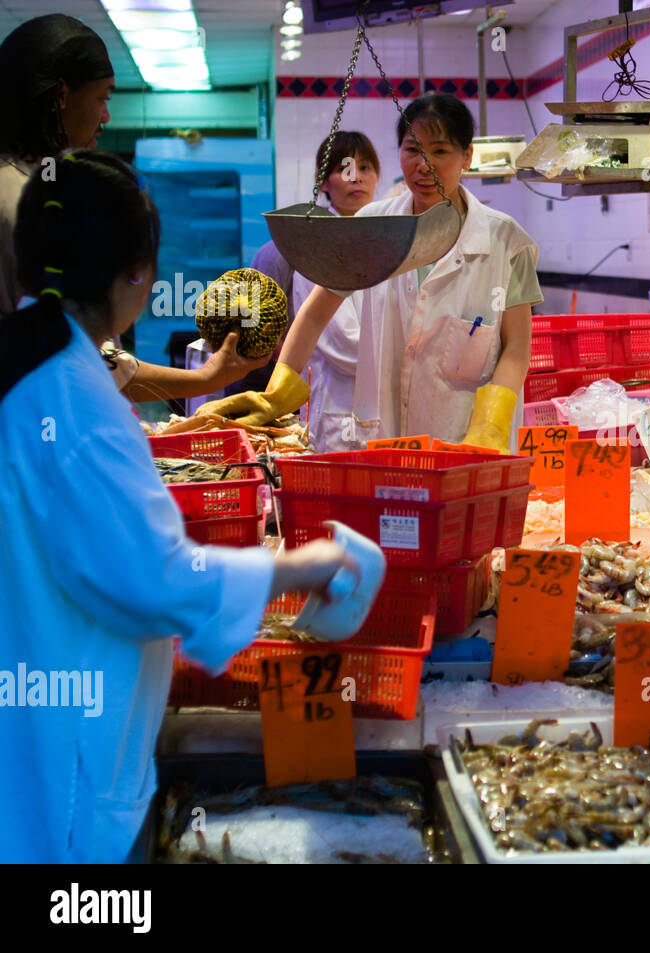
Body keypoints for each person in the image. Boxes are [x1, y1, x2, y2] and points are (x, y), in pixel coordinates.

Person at [0, 151, 353, 863]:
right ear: (137, 272)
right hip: (67, 776)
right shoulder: (74, 400)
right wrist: (301, 565)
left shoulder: (33, 359)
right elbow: (153, 581)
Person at [202, 94, 544, 452]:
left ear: (467, 157)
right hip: (388, 438)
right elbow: (315, 314)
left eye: (440, 151)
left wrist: (489, 428)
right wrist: (276, 393)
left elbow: (518, 347)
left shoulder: (508, 242)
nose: (423, 166)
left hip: (467, 439)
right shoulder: (369, 227)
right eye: (413, 149)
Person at [0, 13, 267, 404]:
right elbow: (84, 358)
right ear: (61, 96)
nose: (106, 116)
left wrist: (208, 379)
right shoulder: (23, 202)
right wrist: (207, 379)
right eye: (102, 98)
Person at [237, 132, 381, 450]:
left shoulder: (385, 244)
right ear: (323, 181)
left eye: (366, 167)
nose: (356, 177)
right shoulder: (315, 249)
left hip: (385, 417)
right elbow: (343, 347)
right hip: (339, 421)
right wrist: (408, 357)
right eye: (344, 169)